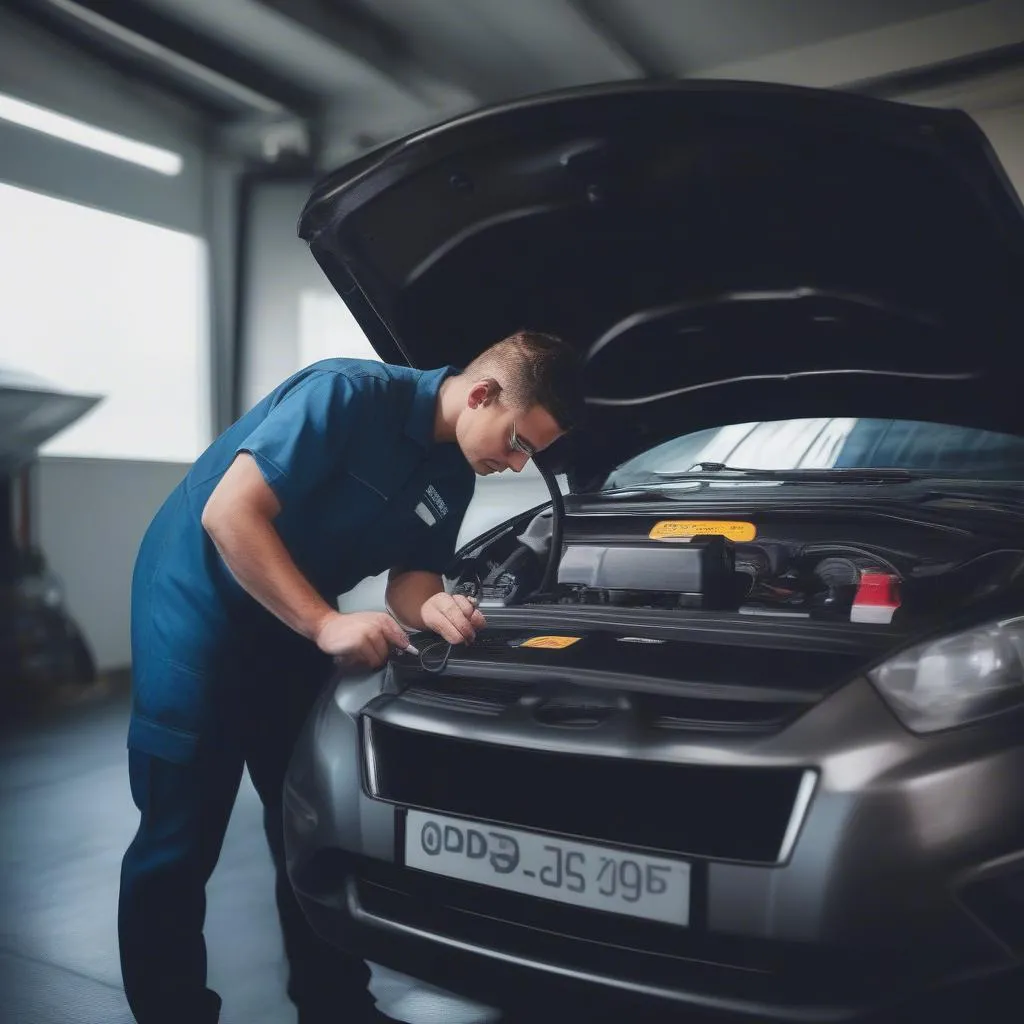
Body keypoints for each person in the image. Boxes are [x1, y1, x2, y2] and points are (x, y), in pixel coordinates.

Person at [117, 329, 584, 1024]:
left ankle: (336, 1008)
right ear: (482, 395)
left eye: (532, 455)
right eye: (519, 442)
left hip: (288, 618)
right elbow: (229, 511)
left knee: (302, 824)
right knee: (178, 839)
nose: (517, 464)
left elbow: (412, 578)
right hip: (195, 611)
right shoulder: (345, 395)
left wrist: (434, 605)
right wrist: (324, 624)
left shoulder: (453, 469)